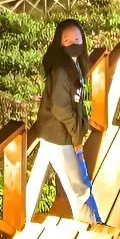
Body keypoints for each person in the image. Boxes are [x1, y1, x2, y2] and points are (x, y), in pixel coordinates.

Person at [25, 19, 99, 224]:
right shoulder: (61, 70)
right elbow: (60, 107)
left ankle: (21, 219)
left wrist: (81, 124)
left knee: (37, 180)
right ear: (60, 44)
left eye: (77, 38)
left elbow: (74, 101)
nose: (74, 43)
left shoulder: (74, 65)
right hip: (59, 135)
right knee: (79, 186)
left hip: (51, 132)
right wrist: (76, 131)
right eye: (68, 40)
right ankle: (93, 225)